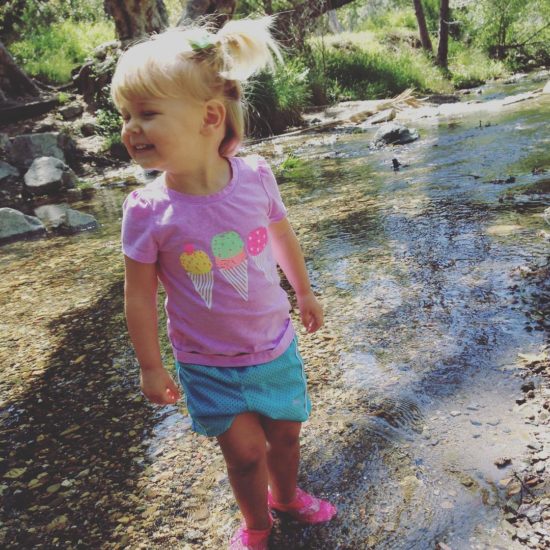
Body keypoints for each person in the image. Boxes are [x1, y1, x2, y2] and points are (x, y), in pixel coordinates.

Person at [112, 16, 337, 550]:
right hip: (207, 360)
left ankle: (286, 497)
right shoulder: (147, 209)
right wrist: (151, 364)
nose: (130, 128)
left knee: (284, 436)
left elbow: (282, 235)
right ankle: (256, 526)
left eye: (146, 114)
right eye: (124, 115)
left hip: (273, 344)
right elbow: (139, 294)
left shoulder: (256, 175)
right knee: (243, 453)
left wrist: (303, 290)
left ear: (210, 117)